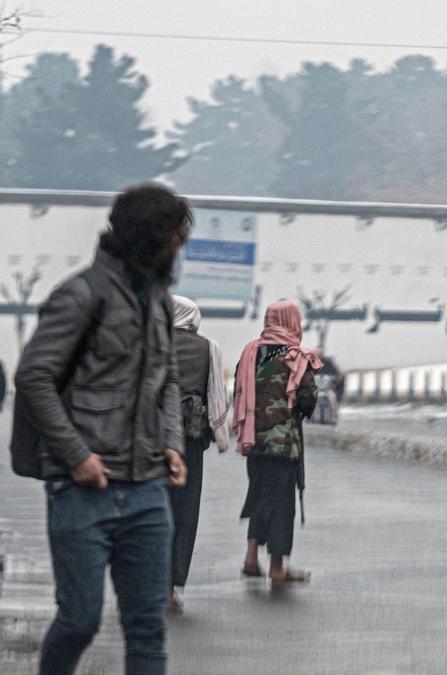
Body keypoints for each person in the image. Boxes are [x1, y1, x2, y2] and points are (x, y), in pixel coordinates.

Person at [15, 184, 190, 675]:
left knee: (147, 628)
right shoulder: (81, 294)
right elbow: (33, 376)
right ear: (147, 237)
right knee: (80, 620)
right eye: (174, 236)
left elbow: (167, 379)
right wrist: (75, 456)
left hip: (148, 491)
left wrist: (172, 442)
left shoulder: (158, 299)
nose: (179, 247)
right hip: (82, 489)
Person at [232, 300, 321, 587]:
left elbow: (240, 389)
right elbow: (307, 398)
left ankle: (250, 557)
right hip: (283, 445)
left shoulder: (250, 353)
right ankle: (277, 567)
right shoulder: (295, 356)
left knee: (260, 495)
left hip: (253, 442)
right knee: (281, 504)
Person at [167, 296, 229, 613]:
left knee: (151, 510)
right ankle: (170, 588)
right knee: (184, 511)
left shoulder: (152, 343)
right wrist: (221, 437)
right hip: (190, 441)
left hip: (151, 441)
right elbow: (217, 395)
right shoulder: (209, 348)